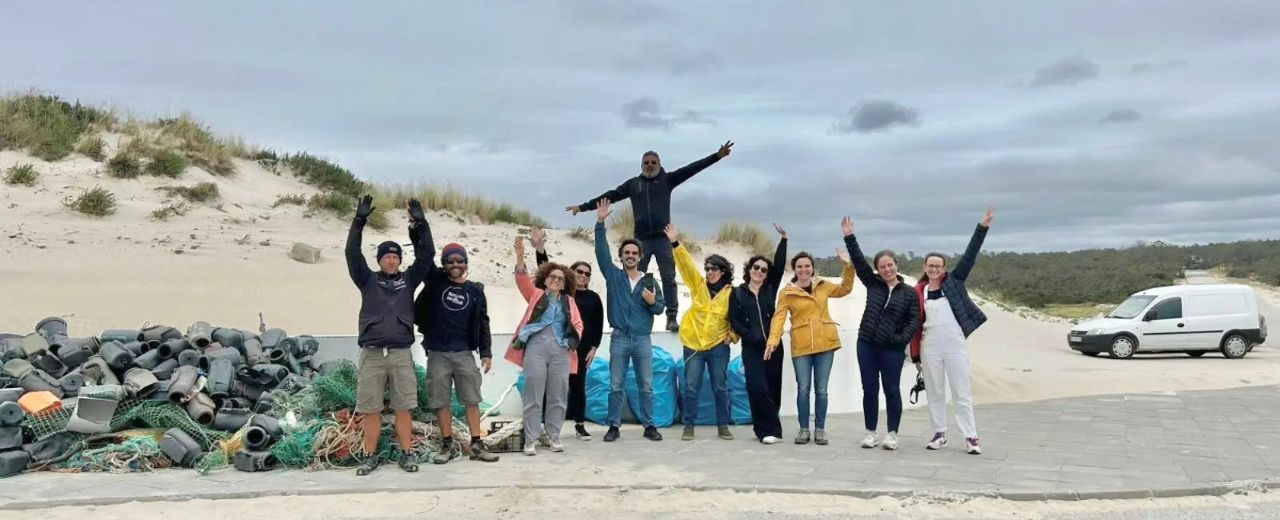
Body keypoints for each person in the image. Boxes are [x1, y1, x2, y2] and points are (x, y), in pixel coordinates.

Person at [566, 141, 735, 333]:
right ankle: (632, 314)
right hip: (641, 240)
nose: (649, 165)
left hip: (663, 238)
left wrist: (716, 156)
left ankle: (671, 317)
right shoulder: (633, 184)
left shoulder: (668, 180)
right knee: (631, 278)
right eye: (646, 162)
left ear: (659, 164)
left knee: (669, 278)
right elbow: (609, 196)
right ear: (641, 165)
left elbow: (692, 169)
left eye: (653, 162)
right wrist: (583, 206)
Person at [345, 195, 433, 475]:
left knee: (403, 407)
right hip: (372, 353)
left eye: (396, 256)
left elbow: (427, 255)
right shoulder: (366, 279)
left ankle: (405, 454)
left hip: (400, 354)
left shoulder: (409, 280)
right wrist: (359, 220)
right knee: (370, 409)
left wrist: (421, 223)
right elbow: (351, 253)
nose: (392, 260)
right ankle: (370, 456)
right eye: (387, 256)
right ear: (380, 259)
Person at [410, 228, 500, 464]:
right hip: (438, 353)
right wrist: (417, 226)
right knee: (441, 401)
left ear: (466, 263)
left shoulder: (475, 291)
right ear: (444, 264)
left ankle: (476, 445)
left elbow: (483, 322)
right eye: (450, 261)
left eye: (460, 260)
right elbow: (423, 255)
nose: (455, 264)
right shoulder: (435, 281)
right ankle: (447, 445)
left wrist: (487, 352)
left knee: (472, 399)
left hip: (464, 353)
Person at [910, 207, 994, 455]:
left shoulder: (954, 282)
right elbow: (914, 324)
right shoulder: (919, 291)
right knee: (935, 392)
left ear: (944, 268)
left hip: (954, 343)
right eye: (930, 266)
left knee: (961, 391)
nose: (934, 269)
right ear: (925, 267)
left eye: (938, 265)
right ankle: (939, 434)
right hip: (930, 345)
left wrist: (982, 227)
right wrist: (914, 354)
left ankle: (971, 437)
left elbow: (970, 256)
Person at [841, 215, 921, 451]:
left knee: (892, 390)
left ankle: (892, 434)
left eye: (890, 265)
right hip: (866, 344)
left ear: (896, 265)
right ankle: (870, 432)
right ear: (877, 269)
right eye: (882, 266)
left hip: (892, 349)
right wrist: (849, 236)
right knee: (870, 388)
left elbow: (913, 320)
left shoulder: (908, 292)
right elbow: (858, 261)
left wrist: (899, 340)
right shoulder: (873, 284)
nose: (887, 269)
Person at [765, 245, 855, 446]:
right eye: (799, 266)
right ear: (794, 269)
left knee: (821, 389)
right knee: (803, 388)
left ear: (813, 268)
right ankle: (804, 429)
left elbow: (845, 288)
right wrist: (773, 340)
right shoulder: (787, 292)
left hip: (826, 343)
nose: (803, 270)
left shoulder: (823, 285)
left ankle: (820, 430)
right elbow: (778, 318)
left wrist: (847, 266)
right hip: (801, 346)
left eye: (807, 266)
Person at [592, 199, 665, 442]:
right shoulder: (613, 276)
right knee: (615, 385)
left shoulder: (650, 281)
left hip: (643, 339)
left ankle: (650, 425)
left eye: (634, 253)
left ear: (640, 256)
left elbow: (659, 310)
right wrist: (600, 223)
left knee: (646, 385)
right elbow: (601, 253)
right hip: (620, 337)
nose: (630, 256)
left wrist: (652, 301)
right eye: (626, 253)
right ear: (621, 257)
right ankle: (613, 426)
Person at [506, 237, 585, 456]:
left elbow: (578, 324)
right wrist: (520, 255)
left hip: (560, 351)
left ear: (565, 282)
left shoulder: (569, 301)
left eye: (560, 279)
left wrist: (571, 340)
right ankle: (530, 439)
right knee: (533, 394)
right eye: (552, 277)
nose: (556, 281)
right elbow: (522, 279)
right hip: (535, 349)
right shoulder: (536, 295)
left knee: (558, 395)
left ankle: (554, 436)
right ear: (545, 278)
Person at [665, 222, 738, 442]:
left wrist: (732, 336)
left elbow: (738, 319)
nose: (709, 272)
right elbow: (686, 266)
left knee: (720, 387)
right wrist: (675, 243)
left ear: (723, 272)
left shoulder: (732, 294)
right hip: (694, 344)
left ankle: (723, 425)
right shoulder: (699, 286)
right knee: (691, 387)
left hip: (718, 346)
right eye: (707, 269)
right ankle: (689, 425)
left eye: (714, 269)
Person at [531, 228, 605, 441]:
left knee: (578, 387)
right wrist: (539, 248)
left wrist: (594, 348)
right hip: (557, 346)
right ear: (571, 274)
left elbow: (598, 324)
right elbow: (546, 272)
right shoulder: (563, 293)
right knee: (550, 386)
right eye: (579, 272)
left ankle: (580, 425)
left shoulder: (593, 298)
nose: (583, 275)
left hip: (580, 349)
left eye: (587, 273)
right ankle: (544, 427)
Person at [727, 223, 788, 444]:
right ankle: (763, 431)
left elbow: (780, 267)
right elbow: (733, 320)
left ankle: (775, 430)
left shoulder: (770, 288)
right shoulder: (737, 293)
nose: (759, 272)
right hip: (752, 348)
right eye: (756, 268)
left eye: (763, 269)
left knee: (773, 388)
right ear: (749, 269)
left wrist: (783, 240)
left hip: (774, 346)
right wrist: (748, 335)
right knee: (756, 388)